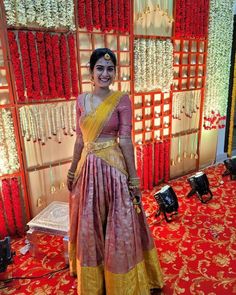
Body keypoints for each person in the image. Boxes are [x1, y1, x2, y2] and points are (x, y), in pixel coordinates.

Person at [67, 48, 163, 295]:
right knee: (91, 226)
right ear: (91, 72)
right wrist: (72, 168)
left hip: (114, 172)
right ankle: (95, 281)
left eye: (110, 69)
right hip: (88, 172)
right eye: (100, 68)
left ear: (115, 72)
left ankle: (120, 283)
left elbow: (126, 140)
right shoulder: (80, 101)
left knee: (118, 226)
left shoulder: (121, 99)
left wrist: (133, 177)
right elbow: (80, 139)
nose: (105, 73)